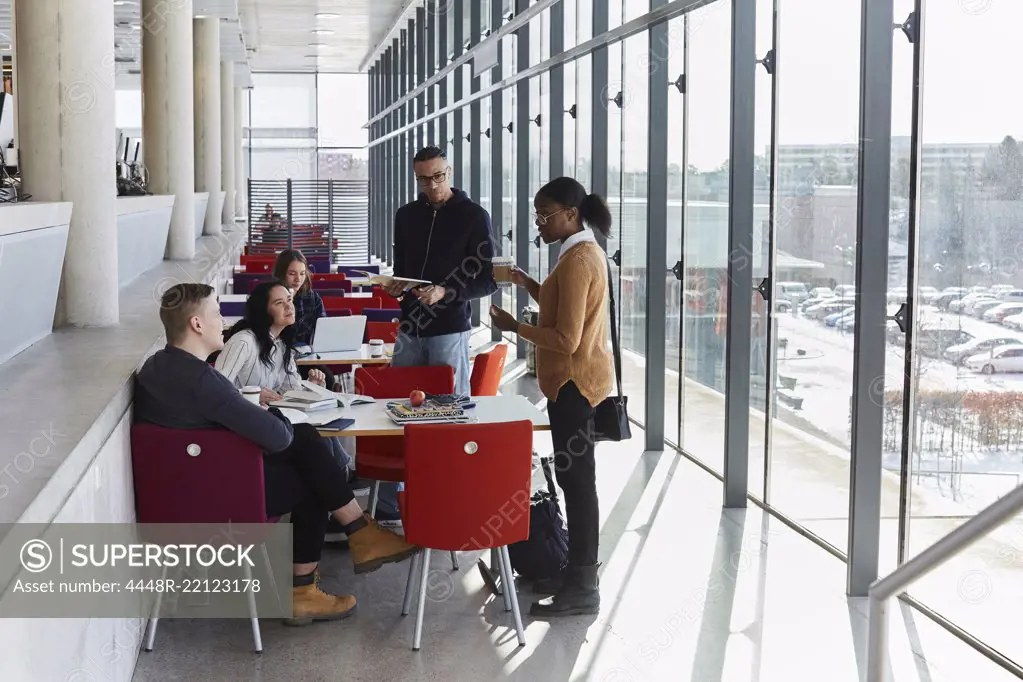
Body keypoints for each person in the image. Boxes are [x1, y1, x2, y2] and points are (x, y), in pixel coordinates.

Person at [135, 283, 419, 626]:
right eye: (216, 313)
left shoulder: (155, 367)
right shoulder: (203, 380)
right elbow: (279, 437)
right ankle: (311, 583)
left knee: (302, 444)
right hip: (215, 501)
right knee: (308, 467)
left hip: (174, 495)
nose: (223, 321)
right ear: (196, 324)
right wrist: (274, 414)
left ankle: (357, 534)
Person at [489, 177, 615, 618]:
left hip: (575, 387)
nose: (539, 223)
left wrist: (512, 327)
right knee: (575, 481)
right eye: (537, 215)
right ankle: (577, 573)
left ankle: (583, 585)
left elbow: (565, 336)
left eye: (545, 215)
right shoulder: (578, 252)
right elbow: (563, 307)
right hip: (574, 386)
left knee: (578, 485)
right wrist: (528, 284)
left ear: (570, 215)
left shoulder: (580, 259)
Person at [383, 145, 498, 397]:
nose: (432, 185)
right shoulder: (405, 216)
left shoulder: (474, 216)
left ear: (449, 171)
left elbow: (489, 281)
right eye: (423, 179)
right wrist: (395, 288)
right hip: (409, 327)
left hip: (449, 328)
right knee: (396, 401)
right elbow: (401, 268)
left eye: (438, 176)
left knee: (450, 405)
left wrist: (445, 292)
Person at [273, 249, 336, 390]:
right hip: (277, 358)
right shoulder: (271, 298)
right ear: (281, 273)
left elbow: (324, 329)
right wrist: (288, 299)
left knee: (328, 380)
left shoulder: (313, 298)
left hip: (305, 357)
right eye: (292, 274)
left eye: (302, 273)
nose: (298, 279)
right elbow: (277, 333)